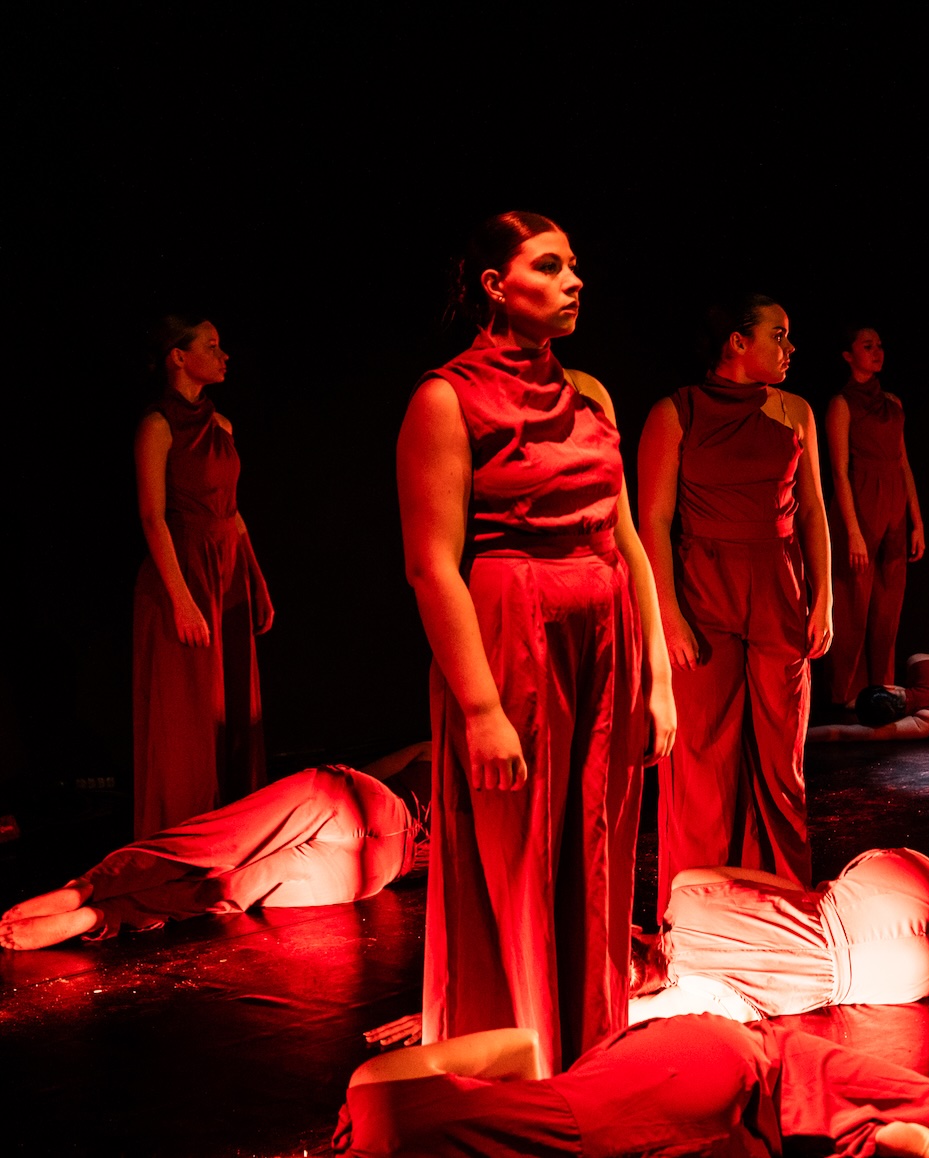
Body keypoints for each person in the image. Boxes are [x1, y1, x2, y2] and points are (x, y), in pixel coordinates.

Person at [397, 211, 674, 1070]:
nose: (573, 281)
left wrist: (658, 674)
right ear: (494, 286)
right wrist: (480, 708)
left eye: (575, 267)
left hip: (606, 637)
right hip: (514, 637)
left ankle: (593, 1049)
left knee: (596, 849)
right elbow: (431, 566)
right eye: (550, 267)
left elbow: (626, 536)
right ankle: (520, 1061)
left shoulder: (591, 395)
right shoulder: (445, 398)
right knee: (517, 860)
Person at [639, 294, 833, 895]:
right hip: (703, 588)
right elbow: (653, 523)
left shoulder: (795, 410)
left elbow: (814, 512)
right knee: (702, 756)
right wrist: (668, 617)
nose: (790, 348)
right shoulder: (675, 413)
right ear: (736, 341)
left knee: (782, 753)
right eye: (779, 334)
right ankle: (700, 897)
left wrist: (825, 599)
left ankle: (782, 894)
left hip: (778, 582)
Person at [335, 1014, 929, 1158]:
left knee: (767, 1111)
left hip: (660, 1139)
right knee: (774, 1059)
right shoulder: (370, 1097)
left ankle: (889, 1135)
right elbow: (522, 1048)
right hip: (632, 1091)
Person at [0, 745, 430, 951]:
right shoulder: (449, 754)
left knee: (215, 855)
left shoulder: (439, 748)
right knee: (226, 884)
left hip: (372, 820)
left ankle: (90, 896)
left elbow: (370, 773)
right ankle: (95, 908)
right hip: (382, 863)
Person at [628, 847, 929, 1021]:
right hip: (876, 895)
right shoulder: (685, 888)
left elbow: (615, 1018)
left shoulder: (687, 999)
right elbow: (788, 889)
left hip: (885, 973)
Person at [132, 316, 273, 835]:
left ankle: (236, 830)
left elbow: (233, 511)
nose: (224, 355)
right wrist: (181, 599)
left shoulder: (223, 427)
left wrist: (255, 580)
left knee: (231, 705)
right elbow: (152, 517)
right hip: (183, 569)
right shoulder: (157, 425)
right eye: (211, 346)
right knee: (190, 713)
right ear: (178, 357)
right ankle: (185, 836)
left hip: (227, 569)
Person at [825, 325, 926, 709]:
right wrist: (851, 531)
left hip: (894, 507)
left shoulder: (894, 403)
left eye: (879, 345)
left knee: (888, 606)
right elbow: (838, 470)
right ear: (848, 355)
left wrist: (917, 521)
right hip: (860, 504)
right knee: (853, 603)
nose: (877, 352)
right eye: (867, 346)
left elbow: (903, 463)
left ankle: (881, 691)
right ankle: (846, 695)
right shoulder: (841, 403)